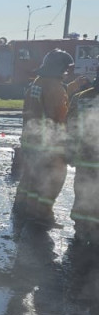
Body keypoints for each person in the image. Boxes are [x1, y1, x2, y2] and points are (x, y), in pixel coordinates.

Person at [13, 49, 86, 228]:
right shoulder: (53, 86)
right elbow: (60, 115)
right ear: (59, 68)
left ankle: (23, 208)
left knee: (31, 178)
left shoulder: (38, 82)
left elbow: (46, 100)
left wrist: (72, 87)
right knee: (52, 180)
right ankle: (42, 215)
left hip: (32, 141)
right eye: (65, 68)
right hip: (49, 144)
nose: (66, 72)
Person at [67, 72, 99, 245]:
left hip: (85, 157)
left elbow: (71, 126)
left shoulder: (80, 98)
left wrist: (70, 151)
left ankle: (81, 228)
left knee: (82, 191)